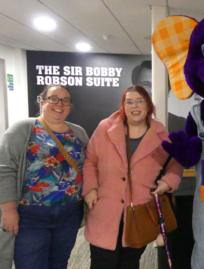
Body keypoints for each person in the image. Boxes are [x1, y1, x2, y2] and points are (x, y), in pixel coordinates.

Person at [82, 85, 183, 269]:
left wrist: (167, 182)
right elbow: (90, 160)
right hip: (105, 210)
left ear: (148, 106)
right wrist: (90, 189)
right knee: (102, 262)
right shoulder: (105, 128)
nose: (134, 106)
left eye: (140, 101)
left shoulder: (161, 135)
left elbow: (175, 164)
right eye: (129, 102)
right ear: (123, 105)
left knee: (130, 262)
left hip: (140, 213)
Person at [0, 85, 89, 269]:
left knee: (59, 263)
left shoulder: (78, 132)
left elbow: (88, 166)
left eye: (65, 100)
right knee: (30, 264)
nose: (60, 104)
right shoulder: (22, 129)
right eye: (53, 98)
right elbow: (5, 169)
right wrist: (8, 210)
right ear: (42, 101)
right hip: (31, 215)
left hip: (69, 213)